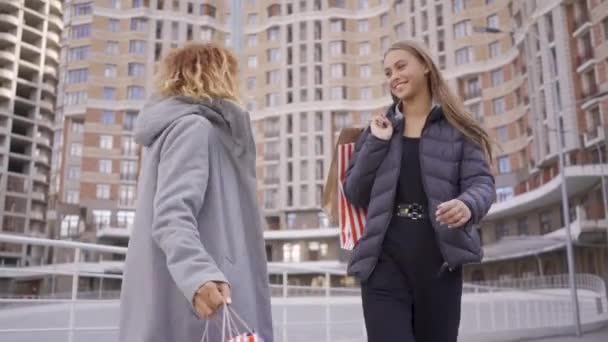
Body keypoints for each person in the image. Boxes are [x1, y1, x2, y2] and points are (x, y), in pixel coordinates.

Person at [118, 43, 273, 342]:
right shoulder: (194, 128)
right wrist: (199, 275)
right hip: (201, 299)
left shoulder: (176, 129)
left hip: (185, 293)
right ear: (219, 75)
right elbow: (172, 215)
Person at [343, 40, 496, 342]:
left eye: (401, 66)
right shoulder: (377, 131)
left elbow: (482, 183)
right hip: (383, 261)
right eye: (388, 72)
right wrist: (377, 142)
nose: (394, 77)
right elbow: (355, 192)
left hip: (439, 263)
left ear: (425, 66)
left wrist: (467, 205)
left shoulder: (458, 130)